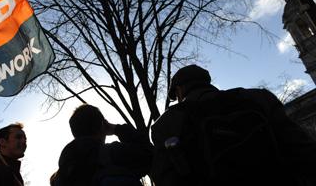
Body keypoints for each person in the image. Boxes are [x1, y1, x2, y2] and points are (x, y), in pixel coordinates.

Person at [151, 64, 316, 186]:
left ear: (179, 90)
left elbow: (166, 178)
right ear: (207, 81)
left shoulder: (165, 124)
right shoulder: (258, 98)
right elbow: (302, 149)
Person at [50, 104, 152, 186]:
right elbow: (150, 154)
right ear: (102, 125)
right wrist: (116, 129)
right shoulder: (111, 153)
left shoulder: (61, 176)